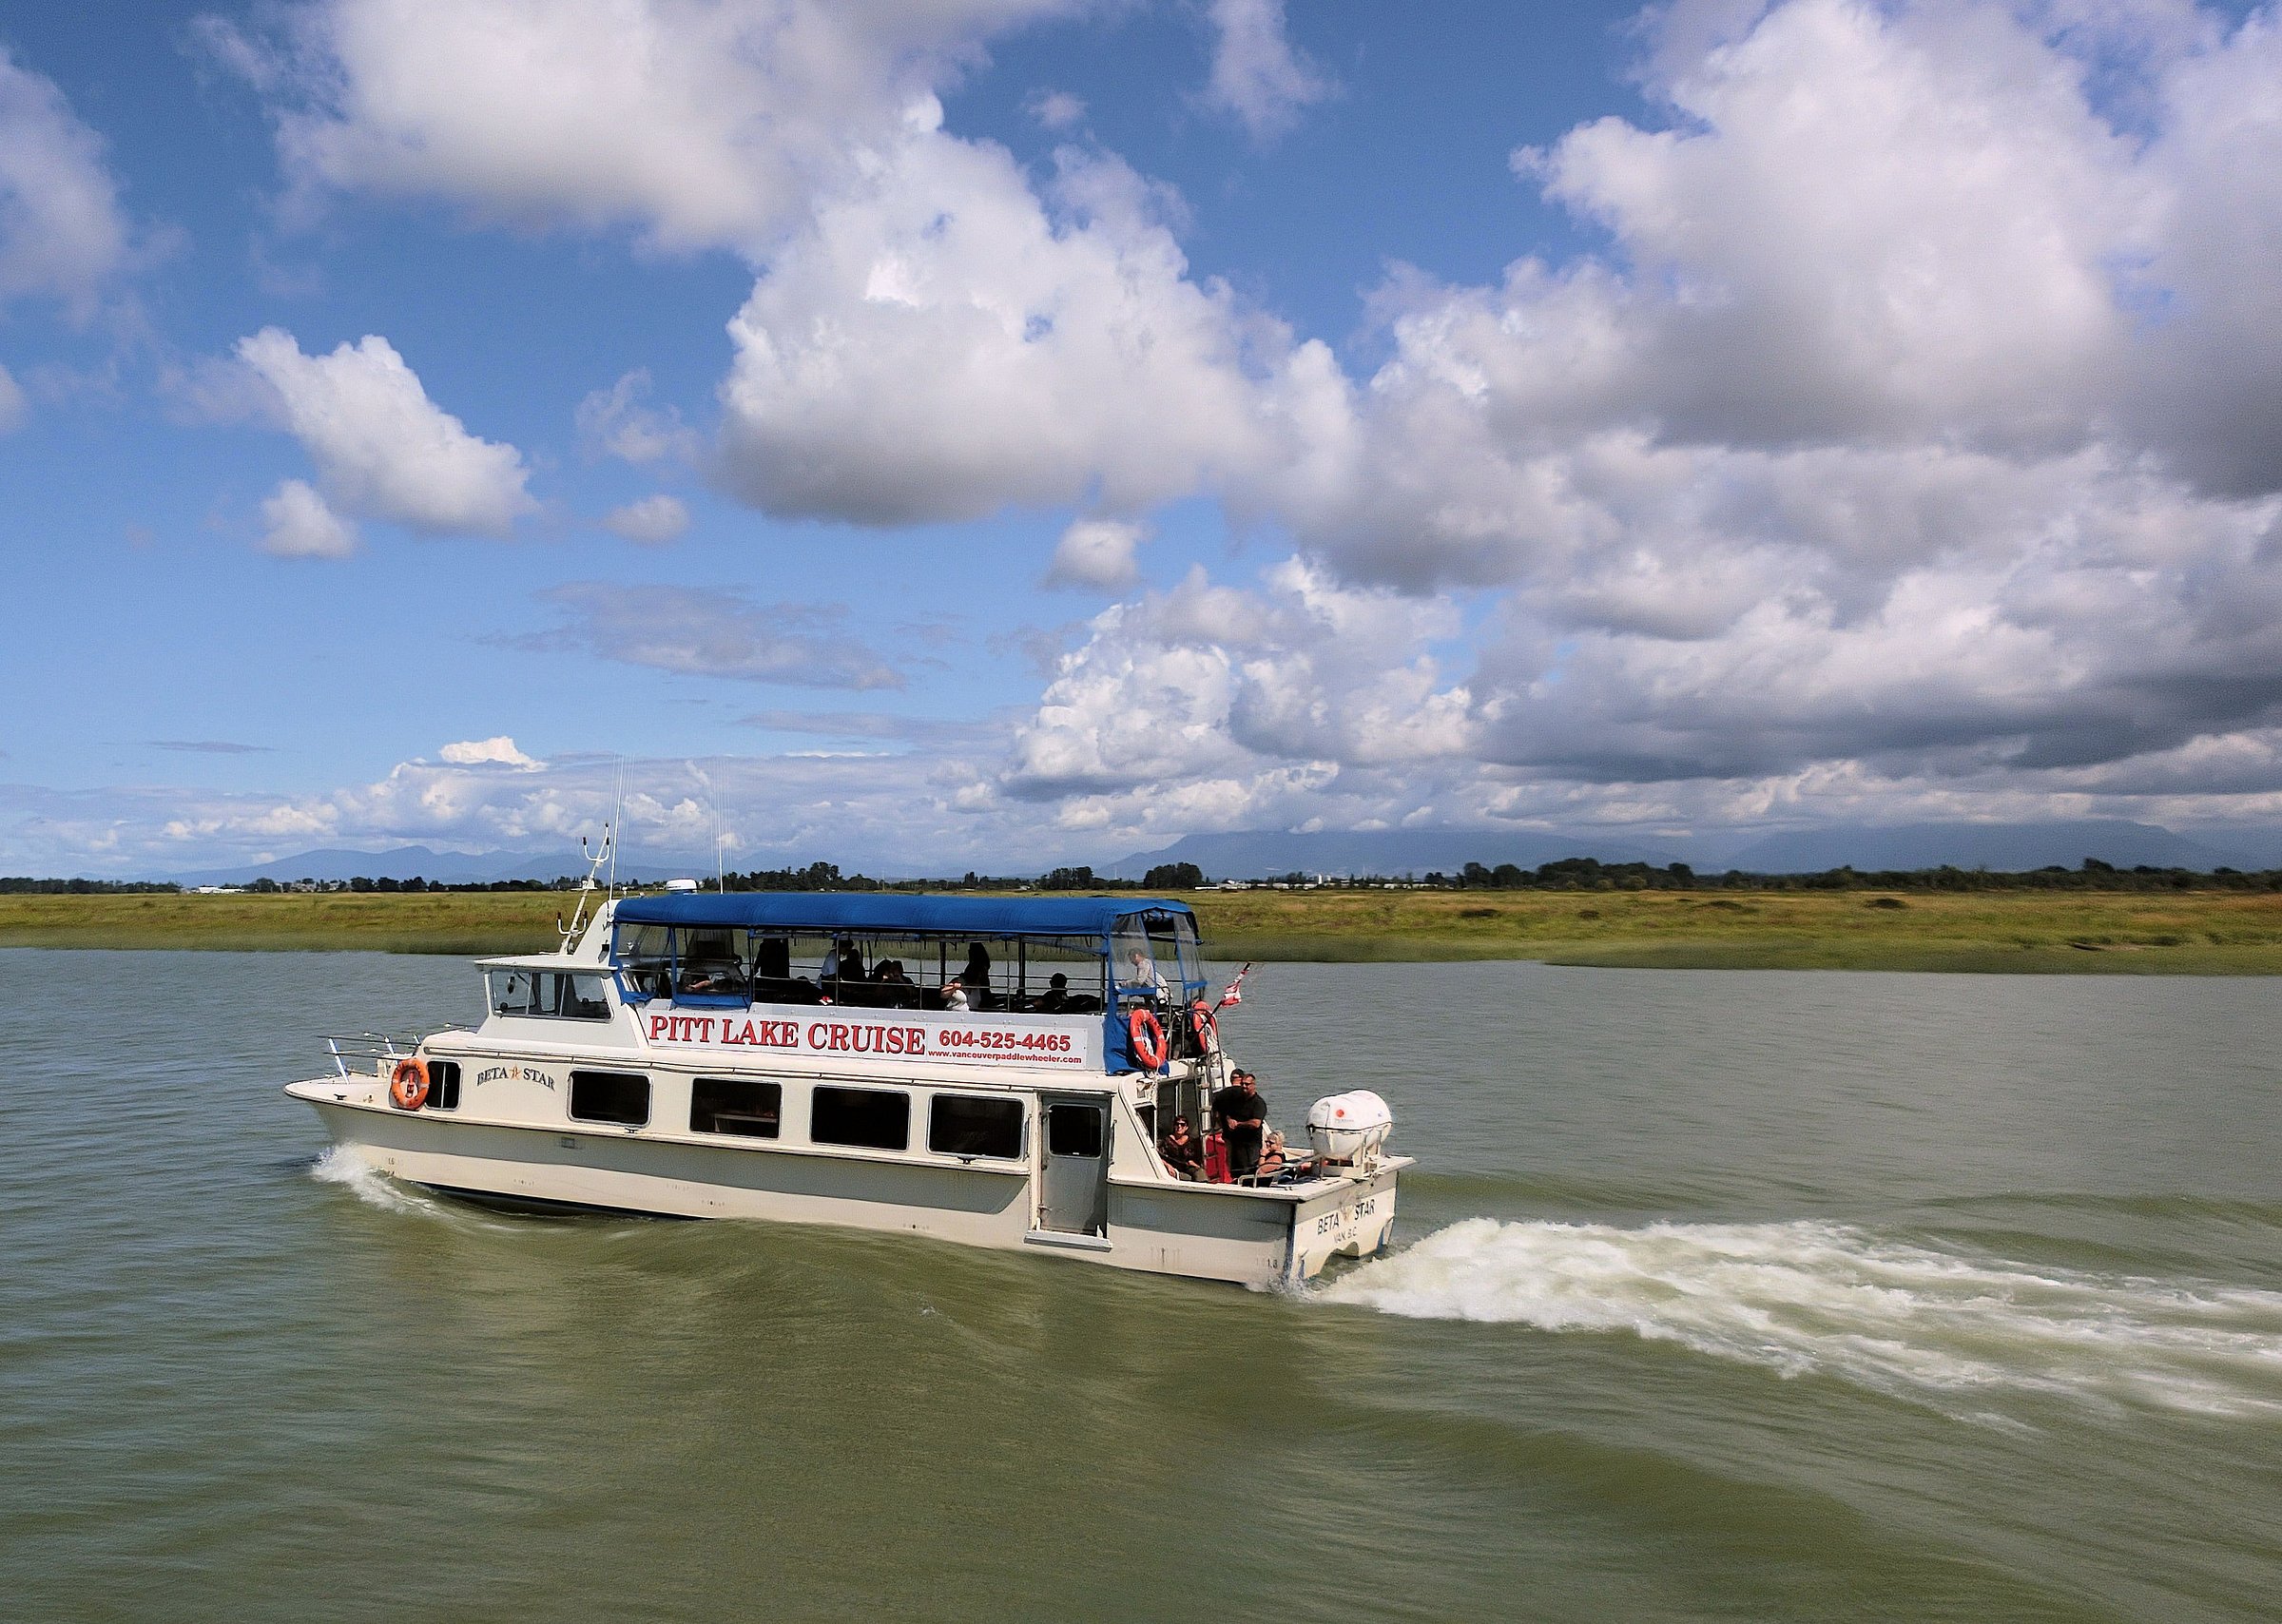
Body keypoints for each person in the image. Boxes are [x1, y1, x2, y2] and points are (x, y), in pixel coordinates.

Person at [1211, 1068, 1267, 1180]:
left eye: (1247, 1084)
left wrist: (1238, 1124)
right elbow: (1221, 1112)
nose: (1244, 1086)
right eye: (1242, 1084)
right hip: (1235, 1141)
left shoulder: (1258, 1103)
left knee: (1251, 1168)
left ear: (1253, 1085)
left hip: (1251, 1143)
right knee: (1235, 1169)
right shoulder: (1235, 1098)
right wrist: (1227, 1120)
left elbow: (1256, 1123)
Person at [1157, 1115, 1204, 1180]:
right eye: (1177, 1124)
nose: (1179, 1126)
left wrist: (1196, 1165)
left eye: (1182, 1124)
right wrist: (1168, 1165)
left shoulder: (1191, 1141)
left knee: (1200, 1173)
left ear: (1186, 1127)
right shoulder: (1167, 1140)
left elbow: (1194, 1158)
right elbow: (1159, 1156)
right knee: (1187, 1178)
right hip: (1173, 1169)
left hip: (1188, 1167)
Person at [961, 943, 994, 1010]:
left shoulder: (977, 966)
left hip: (981, 989)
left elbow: (974, 978)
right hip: (982, 988)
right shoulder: (981, 964)